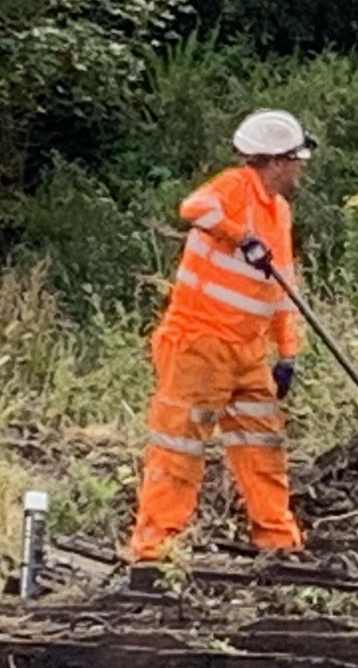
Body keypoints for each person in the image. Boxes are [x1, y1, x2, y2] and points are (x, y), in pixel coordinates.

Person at [129, 108, 317, 562]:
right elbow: (193, 207)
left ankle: (277, 542)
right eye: (296, 159)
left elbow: (282, 283)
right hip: (198, 343)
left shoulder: (280, 211)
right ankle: (153, 550)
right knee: (179, 448)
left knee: (263, 447)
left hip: (248, 352)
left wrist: (287, 352)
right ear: (275, 161)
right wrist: (239, 236)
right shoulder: (235, 187)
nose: (300, 167)